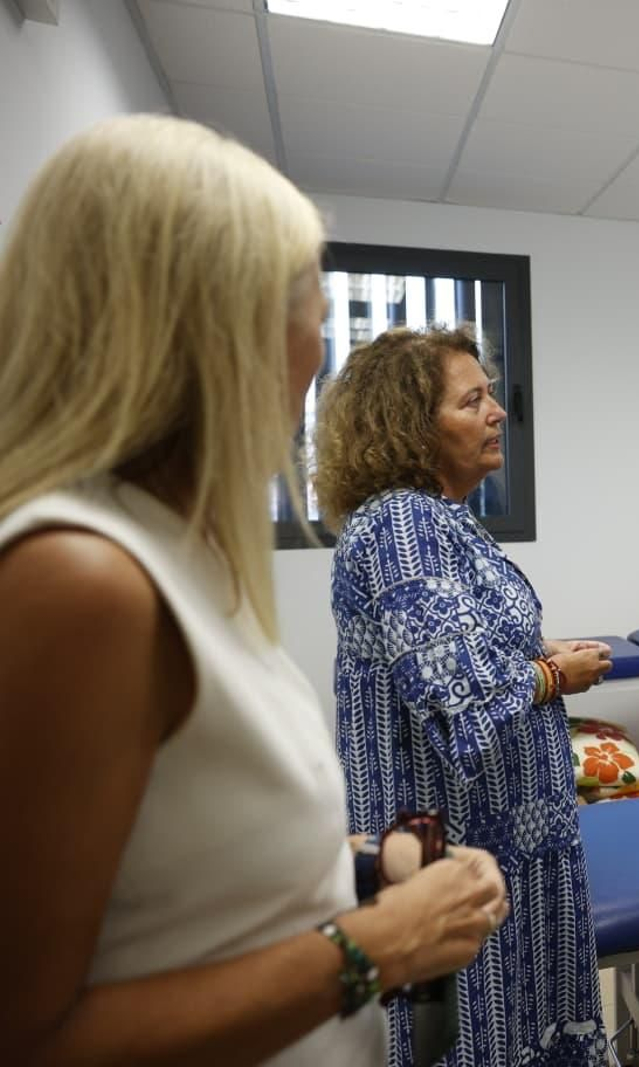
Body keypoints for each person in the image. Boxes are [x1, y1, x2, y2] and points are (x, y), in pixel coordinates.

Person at [0, 114, 506, 1065]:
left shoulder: (179, 560)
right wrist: (381, 945)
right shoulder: (79, 579)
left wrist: (370, 864)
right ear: (209, 324)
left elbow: (190, 880)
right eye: (307, 302)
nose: (321, 341)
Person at [313, 326, 614, 1066]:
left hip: (501, 840)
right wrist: (554, 677)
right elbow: (461, 704)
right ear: (413, 428)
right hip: (446, 845)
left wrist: (535, 650)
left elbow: (449, 648)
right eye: (471, 398)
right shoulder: (401, 526)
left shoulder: (442, 521)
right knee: (466, 1041)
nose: (496, 411)